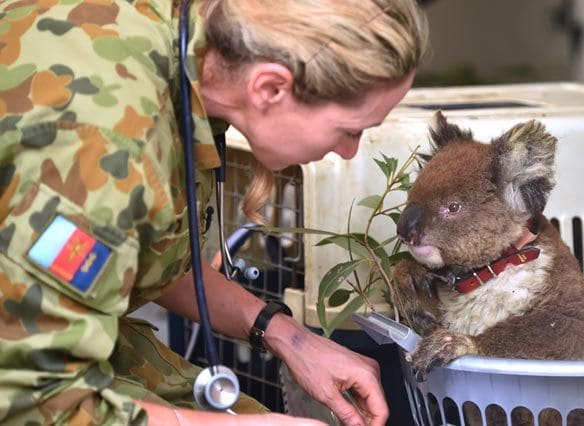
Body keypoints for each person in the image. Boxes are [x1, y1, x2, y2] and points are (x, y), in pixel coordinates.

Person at [0, 0, 427, 424]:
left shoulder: (185, 42)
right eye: (350, 130)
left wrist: (291, 338)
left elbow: (131, 251)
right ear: (270, 89)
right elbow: (32, 400)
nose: (350, 151)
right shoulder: (108, 147)